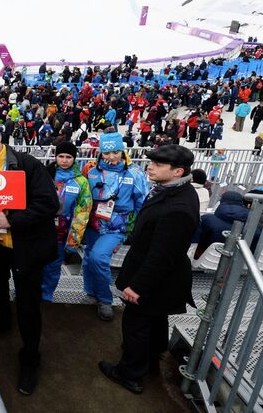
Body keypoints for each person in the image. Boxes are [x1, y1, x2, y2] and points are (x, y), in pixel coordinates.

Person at [99, 145, 199, 394]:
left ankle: (129, 373)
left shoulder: (179, 207)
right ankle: (151, 362)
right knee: (155, 321)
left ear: (177, 171)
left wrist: (138, 286)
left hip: (155, 280)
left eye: (158, 164)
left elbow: (162, 255)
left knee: (136, 324)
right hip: (159, 278)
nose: (150, 166)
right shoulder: (173, 190)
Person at [0, 120, 59, 395]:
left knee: (29, 305)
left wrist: (13, 222)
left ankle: (31, 356)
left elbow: (49, 204)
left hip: (26, 248)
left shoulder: (27, 164)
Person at [84, 132, 148, 321]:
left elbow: (141, 202)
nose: (111, 157)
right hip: (93, 222)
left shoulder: (134, 172)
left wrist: (136, 229)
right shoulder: (91, 169)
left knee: (98, 257)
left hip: (116, 225)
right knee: (89, 256)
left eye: (115, 152)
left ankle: (105, 299)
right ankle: (91, 291)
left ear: (122, 151)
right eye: (106, 153)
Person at [41, 142, 92, 302]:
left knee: (53, 266)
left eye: (68, 157)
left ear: (74, 159)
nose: (64, 160)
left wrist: (74, 239)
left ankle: (46, 295)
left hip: (62, 233)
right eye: (61, 156)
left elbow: (83, 211)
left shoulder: (81, 182)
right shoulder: (45, 174)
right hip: (41, 228)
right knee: (36, 264)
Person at [193, 191, 250, 257]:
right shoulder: (254, 227)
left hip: (204, 259)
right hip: (238, 264)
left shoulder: (207, 219)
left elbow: (193, 241)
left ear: (221, 201)